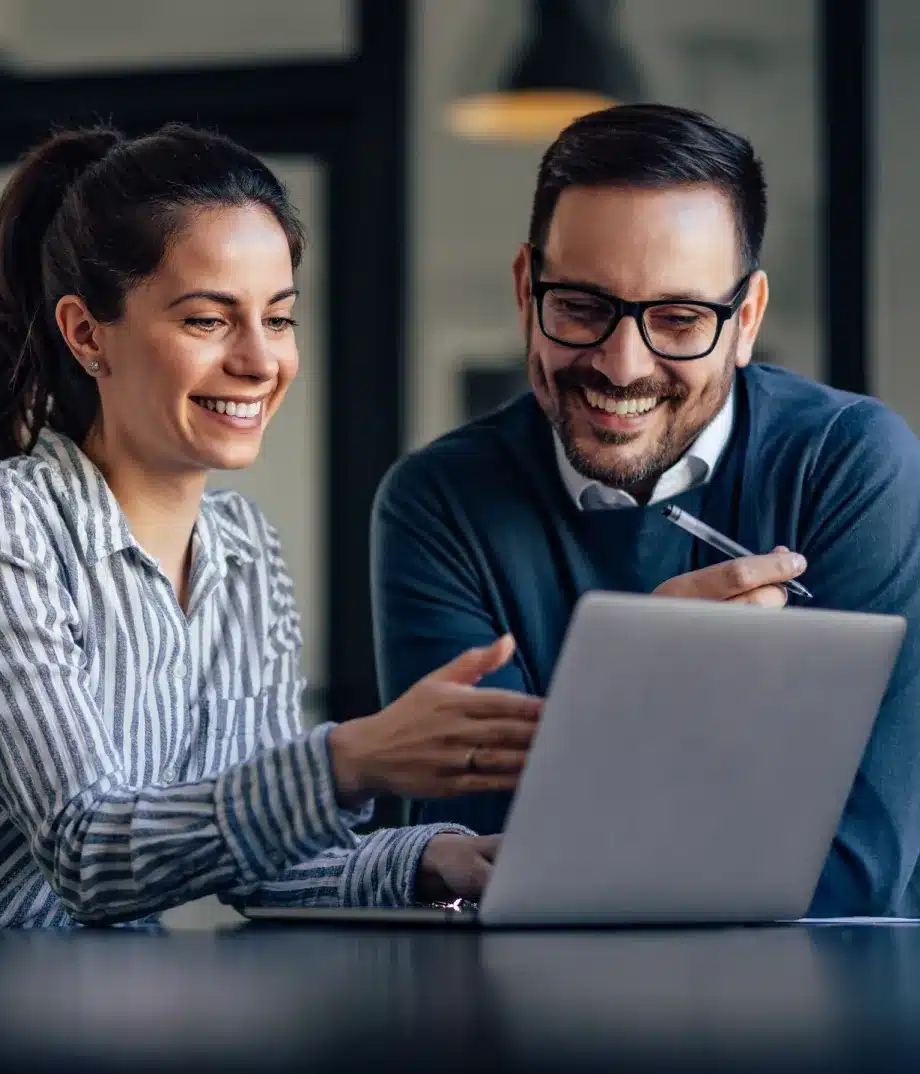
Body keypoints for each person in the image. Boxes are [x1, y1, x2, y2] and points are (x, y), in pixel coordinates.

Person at [0, 124, 543, 936]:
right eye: (209, 320)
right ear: (85, 333)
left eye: (278, 319)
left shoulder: (244, 551)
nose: (259, 360)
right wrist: (351, 759)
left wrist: (432, 861)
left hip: (94, 1016)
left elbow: (261, 857)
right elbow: (90, 852)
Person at [371, 103, 920, 918]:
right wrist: (647, 687)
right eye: (583, 307)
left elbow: (860, 861)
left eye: (678, 319)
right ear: (528, 289)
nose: (623, 366)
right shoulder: (438, 504)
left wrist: (593, 763)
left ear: (747, 321)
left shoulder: (849, 463)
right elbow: (487, 853)